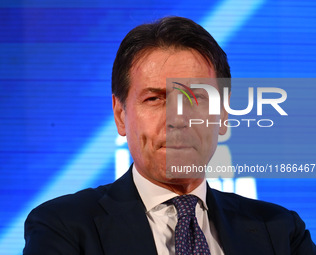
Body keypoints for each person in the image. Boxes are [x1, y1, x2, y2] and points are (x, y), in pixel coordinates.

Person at [23, 16, 316, 255]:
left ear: (224, 116)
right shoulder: (62, 227)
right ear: (120, 114)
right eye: (155, 99)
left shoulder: (280, 231)